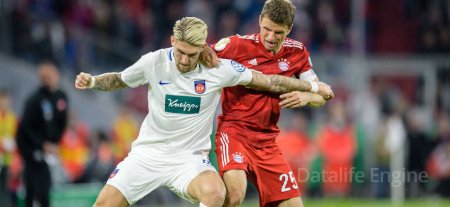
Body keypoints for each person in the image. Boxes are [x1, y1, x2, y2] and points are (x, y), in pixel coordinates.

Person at [74, 17, 332, 207]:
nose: (185, 60)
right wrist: (94, 81)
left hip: (189, 158)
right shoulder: (154, 62)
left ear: (203, 48)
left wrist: (311, 86)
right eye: (180, 52)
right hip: (147, 155)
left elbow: (270, 81)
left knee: (216, 194)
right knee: (103, 205)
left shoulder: (219, 69)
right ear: (172, 41)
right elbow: (119, 79)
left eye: (192, 54)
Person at [200, 0, 334, 206]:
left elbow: (320, 95)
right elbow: (201, 56)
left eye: (278, 32)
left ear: (289, 29)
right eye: (267, 29)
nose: (271, 37)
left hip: (267, 142)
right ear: (260, 20)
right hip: (234, 132)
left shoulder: (297, 52)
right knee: (235, 194)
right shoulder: (235, 45)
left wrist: (307, 96)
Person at [16, 61, 68, 207]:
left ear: (57, 75)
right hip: (31, 149)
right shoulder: (34, 100)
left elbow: (61, 123)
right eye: (44, 76)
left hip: (49, 149)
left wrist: (55, 143)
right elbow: (26, 128)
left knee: (44, 187)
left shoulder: (61, 97)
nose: (48, 79)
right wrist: (43, 145)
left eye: (50, 75)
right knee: (34, 187)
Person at [0, 89, 18, 205]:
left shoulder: (13, 118)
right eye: (2, 100)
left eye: (6, 100)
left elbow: (17, 137)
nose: (4, 103)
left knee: (8, 189)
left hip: (9, 161)